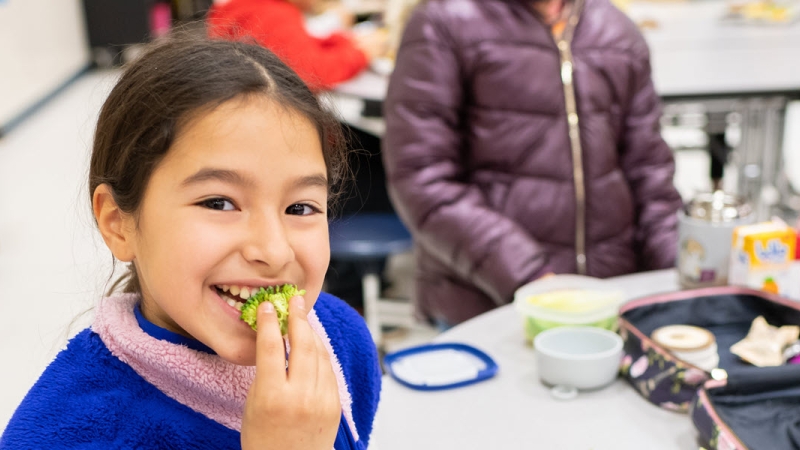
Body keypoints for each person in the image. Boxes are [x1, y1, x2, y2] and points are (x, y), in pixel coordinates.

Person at [0, 37, 381, 449]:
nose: (273, 251)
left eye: (300, 208)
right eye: (219, 202)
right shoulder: (70, 433)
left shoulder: (342, 340)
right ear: (117, 223)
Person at [382, 0, 683, 327]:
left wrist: (680, 271)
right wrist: (531, 278)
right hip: (487, 302)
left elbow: (650, 175)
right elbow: (422, 178)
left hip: (607, 302)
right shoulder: (443, 23)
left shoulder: (617, 31)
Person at [207, 0, 387, 90]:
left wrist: (347, 42)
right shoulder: (275, 14)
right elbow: (311, 72)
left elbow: (299, 45)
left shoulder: (251, 6)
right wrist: (362, 53)